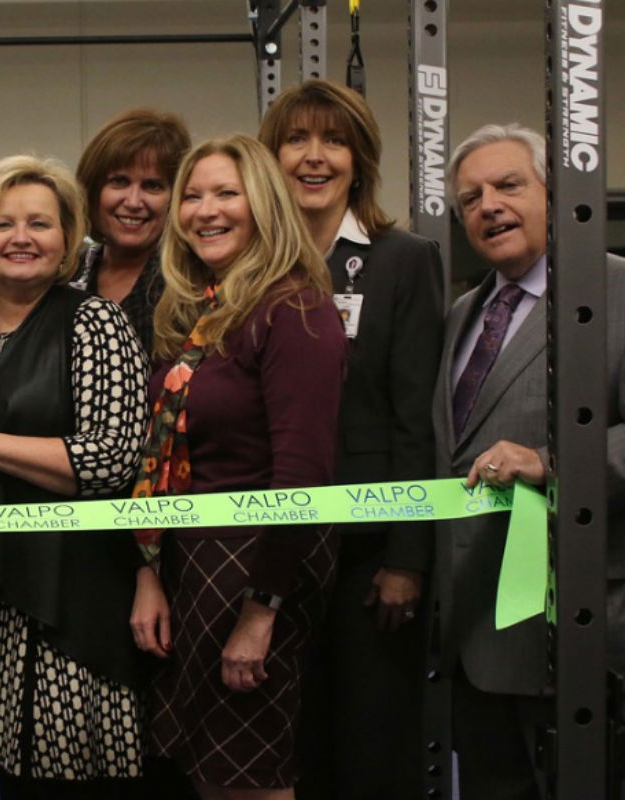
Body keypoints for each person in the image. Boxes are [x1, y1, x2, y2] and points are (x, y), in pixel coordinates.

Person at [0, 154, 149, 798]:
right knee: (13, 782)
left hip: (68, 596)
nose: (20, 237)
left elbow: (112, 459)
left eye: (40, 223)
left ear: (68, 240)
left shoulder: (96, 322)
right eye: (1, 224)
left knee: (72, 779)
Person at [130, 134, 347, 800]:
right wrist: (149, 570)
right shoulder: (203, 312)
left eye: (227, 193)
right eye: (192, 196)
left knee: (250, 776)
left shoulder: (295, 311)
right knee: (212, 772)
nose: (205, 210)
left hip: (257, 572)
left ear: (265, 205)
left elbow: (302, 477)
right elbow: (162, 460)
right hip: (195, 565)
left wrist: (262, 613)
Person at [257, 79, 444, 800]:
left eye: (332, 140)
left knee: (370, 748)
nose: (313, 156)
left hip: (371, 556)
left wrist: (407, 556)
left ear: (358, 157)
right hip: (273, 549)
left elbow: (414, 417)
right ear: (271, 155)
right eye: (296, 139)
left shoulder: (404, 259)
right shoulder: (252, 262)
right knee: (287, 743)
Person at [436, 123, 625, 800]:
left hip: (576, 632)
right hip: (473, 635)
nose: (488, 205)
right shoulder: (462, 313)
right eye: (470, 198)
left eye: (509, 185)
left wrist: (552, 461)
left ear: (555, 192)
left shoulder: (616, 293)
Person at [74, 108, 190, 353]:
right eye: (119, 181)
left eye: (153, 186)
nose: (134, 202)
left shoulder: (190, 284)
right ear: (93, 190)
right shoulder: (68, 274)